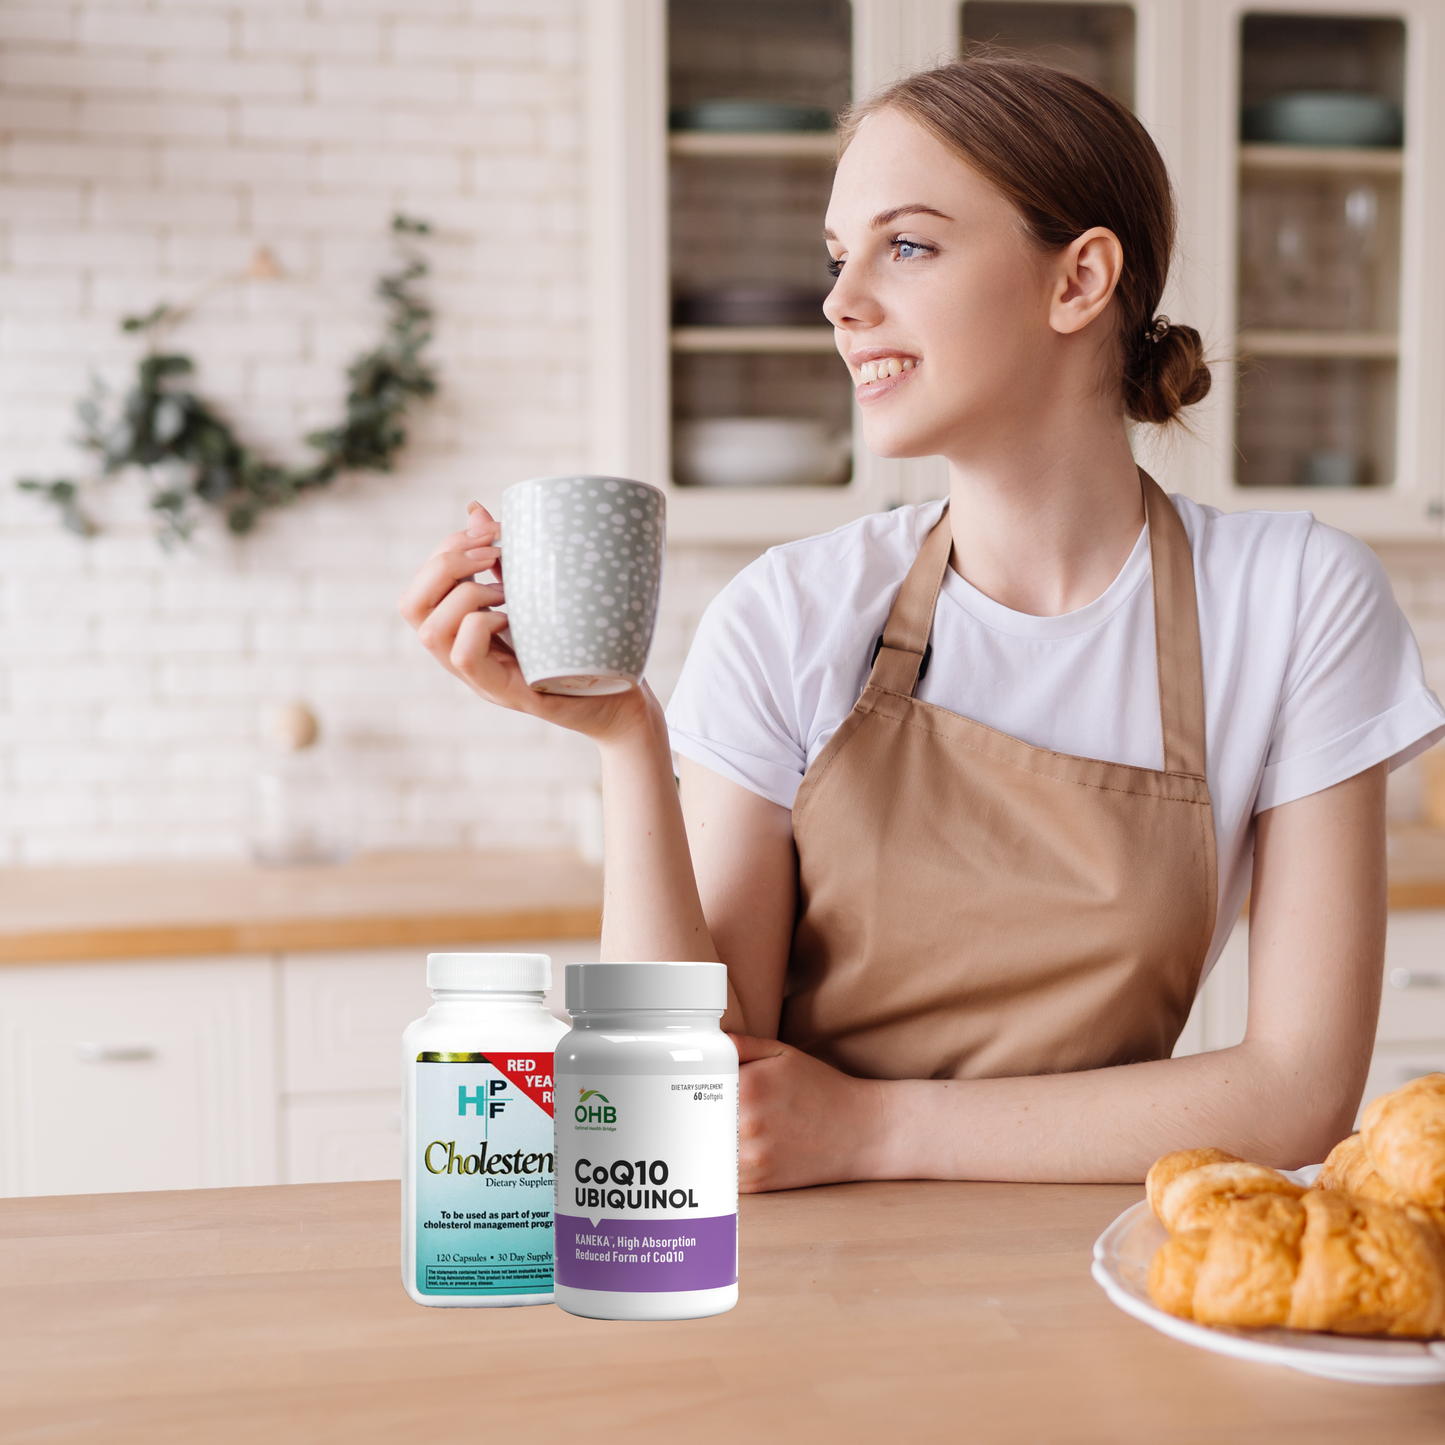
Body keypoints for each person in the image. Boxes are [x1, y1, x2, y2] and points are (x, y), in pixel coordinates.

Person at [399, 59, 1445, 1191]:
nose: (839, 302)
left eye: (905, 245)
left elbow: (1294, 1092)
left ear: (1078, 279)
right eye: (836, 256)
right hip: (801, 1278)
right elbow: (680, 1087)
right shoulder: (790, 611)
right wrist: (624, 738)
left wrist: (866, 1128)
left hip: (1097, 1264)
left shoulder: (1291, 599)